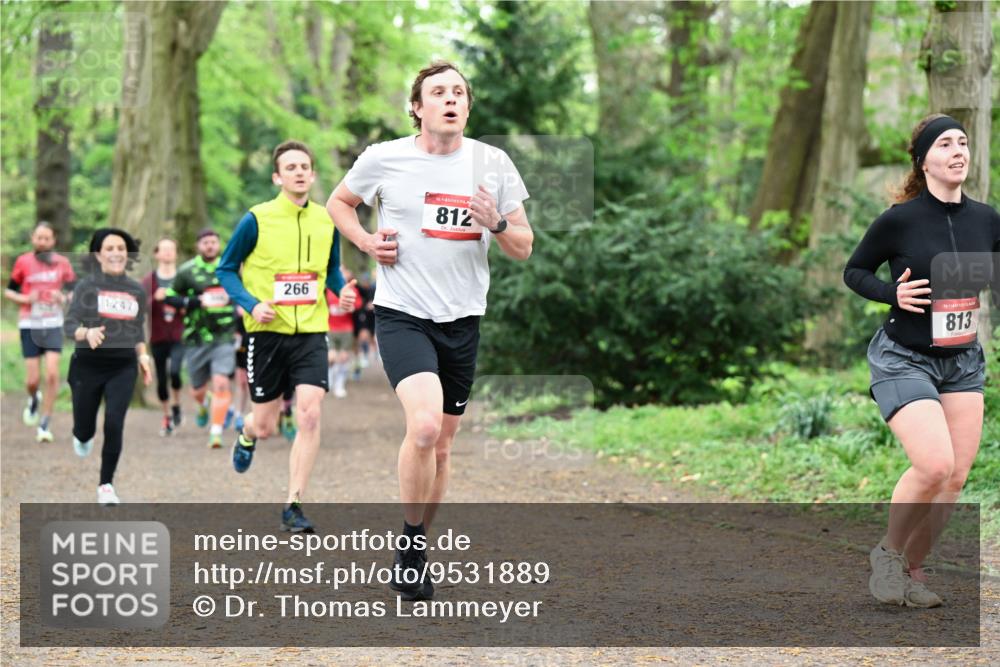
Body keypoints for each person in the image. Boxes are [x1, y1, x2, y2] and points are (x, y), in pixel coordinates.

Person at [327, 61, 533, 600]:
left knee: (441, 447)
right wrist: (366, 241)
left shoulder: (493, 163)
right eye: (438, 92)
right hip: (402, 314)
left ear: (467, 106)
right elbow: (338, 203)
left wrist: (497, 223)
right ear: (418, 108)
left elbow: (523, 246)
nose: (451, 99)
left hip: (462, 320)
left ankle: (415, 545)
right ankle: (412, 543)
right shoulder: (384, 158)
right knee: (422, 428)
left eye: (458, 92)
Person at [844, 114, 1000, 608]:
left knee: (954, 478)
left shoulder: (987, 220)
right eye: (945, 144)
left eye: (963, 142)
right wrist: (892, 293)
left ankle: (912, 573)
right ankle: (888, 554)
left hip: (962, 362)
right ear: (923, 161)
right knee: (934, 465)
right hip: (904, 358)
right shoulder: (900, 220)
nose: (958, 151)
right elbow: (855, 270)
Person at [217, 139, 357, 533]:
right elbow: (226, 269)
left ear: (312, 175)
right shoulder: (256, 219)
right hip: (267, 333)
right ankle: (247, 433)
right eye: (290, 167)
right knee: (266, 426)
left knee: (309, 413)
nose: (298, 172)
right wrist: (250, 304)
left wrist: (341, 292)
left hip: (311, 331)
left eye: (304, 167)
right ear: (277, 177)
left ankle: (293, 504)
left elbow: (330, 271)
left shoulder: (326, 220)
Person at [64, 228, 152, 505]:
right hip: (87, 367)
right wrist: (86, 333)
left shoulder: (136, 290)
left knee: (114, 422)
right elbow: (69, 325)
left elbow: (137, 330)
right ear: (98, 255)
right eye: (110, 248)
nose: (116, 253)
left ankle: (106, 485)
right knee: (84, 430)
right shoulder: (86, 286)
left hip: (122, 367)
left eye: (121, 249)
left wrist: (143, 356)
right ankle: (82, 435)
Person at [164, 229, 237, 449]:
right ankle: (205, 403)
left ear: (219, 245)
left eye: (214, 242)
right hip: (196, 338)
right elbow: (170, 298)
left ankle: (216, 432)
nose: (210, 246)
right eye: (206, 242)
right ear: (198, 246)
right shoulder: (186, 271)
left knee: (221, 382)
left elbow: (241, 293)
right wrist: (195, 301)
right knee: (197, 389)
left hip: (224, 336)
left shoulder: (230, 267)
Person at [4, 222, 76, 442]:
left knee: (52, 374)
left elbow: (73, 291)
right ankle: (34, 397)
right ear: (32, 238)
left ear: (53, 240)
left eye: (47, 238)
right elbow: (9, 292)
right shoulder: (23, 262)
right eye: (39, 237)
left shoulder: (62, 263)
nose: (43, 242)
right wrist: (26, 298)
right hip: (30, 323)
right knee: (32, 380)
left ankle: (45, 423)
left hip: (53, 323)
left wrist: (62, 297)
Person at [142, 237, 185, 436]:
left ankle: (177, 403)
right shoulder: (148, 281)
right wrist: (154, 298)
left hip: (179, 335)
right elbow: (141, 307)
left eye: (171, 249)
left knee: (175, 372)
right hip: (157, 336)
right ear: (156, 254)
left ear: (176, 253)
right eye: (164, 249)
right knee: (161, 378)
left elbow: (191, 301)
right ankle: (167, 416)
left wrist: (181, 305)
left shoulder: (182, 278)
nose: (168, 252)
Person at [326, 268, 362, 398]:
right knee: (331, 357)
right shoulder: (328, 289)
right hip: (331, 328)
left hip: (346, 329)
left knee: (343, 357)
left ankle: (339, 384)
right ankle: (329, 379)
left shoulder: (352, 290)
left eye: (343, 271)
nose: (341, 274)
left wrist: (351, 307)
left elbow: (358, 304)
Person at [352, 273, 377, 377]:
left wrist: (373, 305)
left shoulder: (373, 289)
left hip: (370, 319)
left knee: (367, 338)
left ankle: (368, 355)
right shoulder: (359, 290)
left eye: (366, 281)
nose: (365, 283)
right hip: (358, 318)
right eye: (363, 281)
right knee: (358, 342)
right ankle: (358, 367)